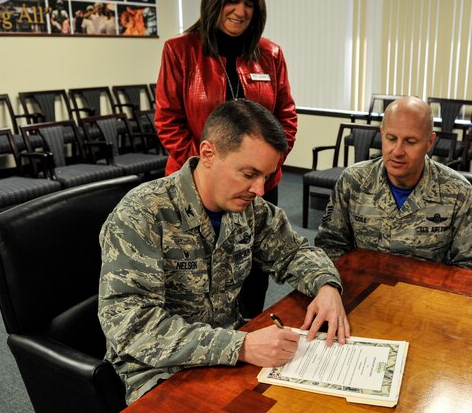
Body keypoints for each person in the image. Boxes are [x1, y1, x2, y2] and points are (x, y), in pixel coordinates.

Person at [99, 99, 348, 405]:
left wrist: (326, 285)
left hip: (231, 354)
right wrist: (240, 346)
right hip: (159, 371)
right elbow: (132, 326)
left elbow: (293, 251)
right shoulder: (143, 215)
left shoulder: (248, 208)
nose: (259, 189)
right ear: (208, 154)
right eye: (249, 174)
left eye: (267, 177)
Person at [155, 0, 298, 317]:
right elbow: (168, 120)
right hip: (198, 186)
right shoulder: (180, 51)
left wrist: (261, 170)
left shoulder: (270, 54)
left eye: (250, 3)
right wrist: (211, 172)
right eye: (233, 0)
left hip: (259, 184)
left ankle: (248, 327)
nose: (241, 11)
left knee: (252, 265)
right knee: (196, 273)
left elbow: (286, 117)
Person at [315, 96, 472, 270]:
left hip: (426, 292)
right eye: (391, 138)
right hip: (363, 287)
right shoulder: (353, 181)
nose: (397, 151)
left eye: (410, 142)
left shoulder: (459, 192)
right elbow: (330, 246)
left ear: (429, 143)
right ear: (382, 134)